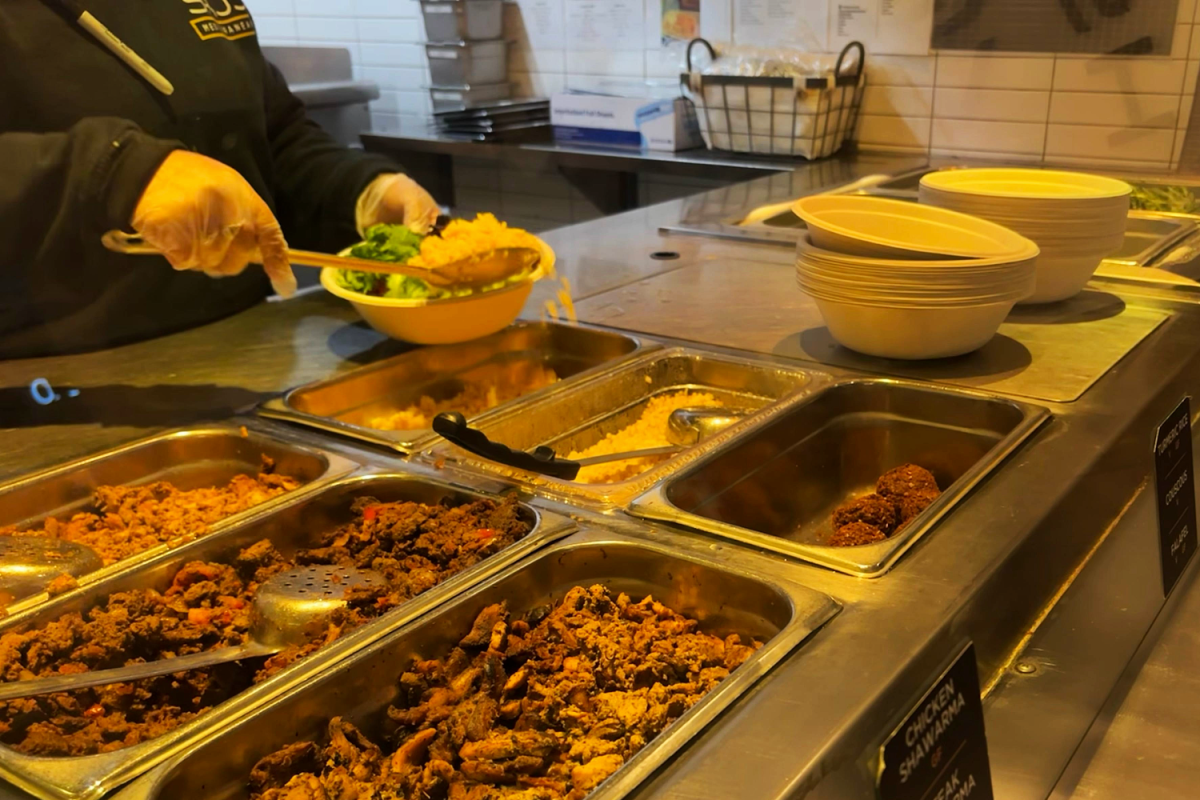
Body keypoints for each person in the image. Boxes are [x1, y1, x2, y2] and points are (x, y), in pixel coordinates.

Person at [0, 0, 440, 360]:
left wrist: (358, 190)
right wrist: (115, 172)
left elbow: (272, 136)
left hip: (246, 353)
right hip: (55, 380)